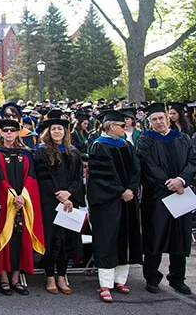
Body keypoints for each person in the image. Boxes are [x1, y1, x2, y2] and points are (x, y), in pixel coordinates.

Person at [136, 103, 196, 296]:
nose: (158, 122)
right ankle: (152, 277)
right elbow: (147, 164)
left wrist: (181, 180)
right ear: (149, 122)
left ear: (168, 118)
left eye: (161, 118)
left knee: (180, 237)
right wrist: (168, 183)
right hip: (157, 196)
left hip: (180, 194)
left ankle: (177, 278)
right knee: (155, 236)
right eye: (154, 119)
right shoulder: (145, 140)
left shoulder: (183, 138)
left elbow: (192, 161)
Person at [86, 110, 142, 303]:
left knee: (124, 237)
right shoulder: (98, 146)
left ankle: (120, 280)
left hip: (128, 199)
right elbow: (100, 177)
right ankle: (105, 284)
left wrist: (132, 189)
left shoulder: (126, 144)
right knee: (107, 239)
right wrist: (120, 191)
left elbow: (136, 169)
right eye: (121, 126)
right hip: (108, 202)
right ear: (110, 126)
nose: (125, 128)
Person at [0, 119, 45, 296]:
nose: (8, 133)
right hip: (5, 203)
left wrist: (23, 197)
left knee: (20, 240)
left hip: (23, 203)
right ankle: (4, 279)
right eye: (5, 130)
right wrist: (12, 195)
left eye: (12, 131)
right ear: (1, 133)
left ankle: (16, 278)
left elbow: (31, 177)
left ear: (17, 133)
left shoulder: (27, 154)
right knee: (5, 238)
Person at [34, 118, 84, 295]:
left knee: (66, 240)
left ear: (65, 132)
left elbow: (79, 178)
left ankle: (62, 276)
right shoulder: (41, 152)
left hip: (70, 201)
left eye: (60, 129)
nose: (56, 132)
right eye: (53, 129)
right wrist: (60, 195)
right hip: (50, 202)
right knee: (51, 239)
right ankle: (49, 277)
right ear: (48, 132)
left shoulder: (74, 152)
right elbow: (44, 178)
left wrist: (69, 194)